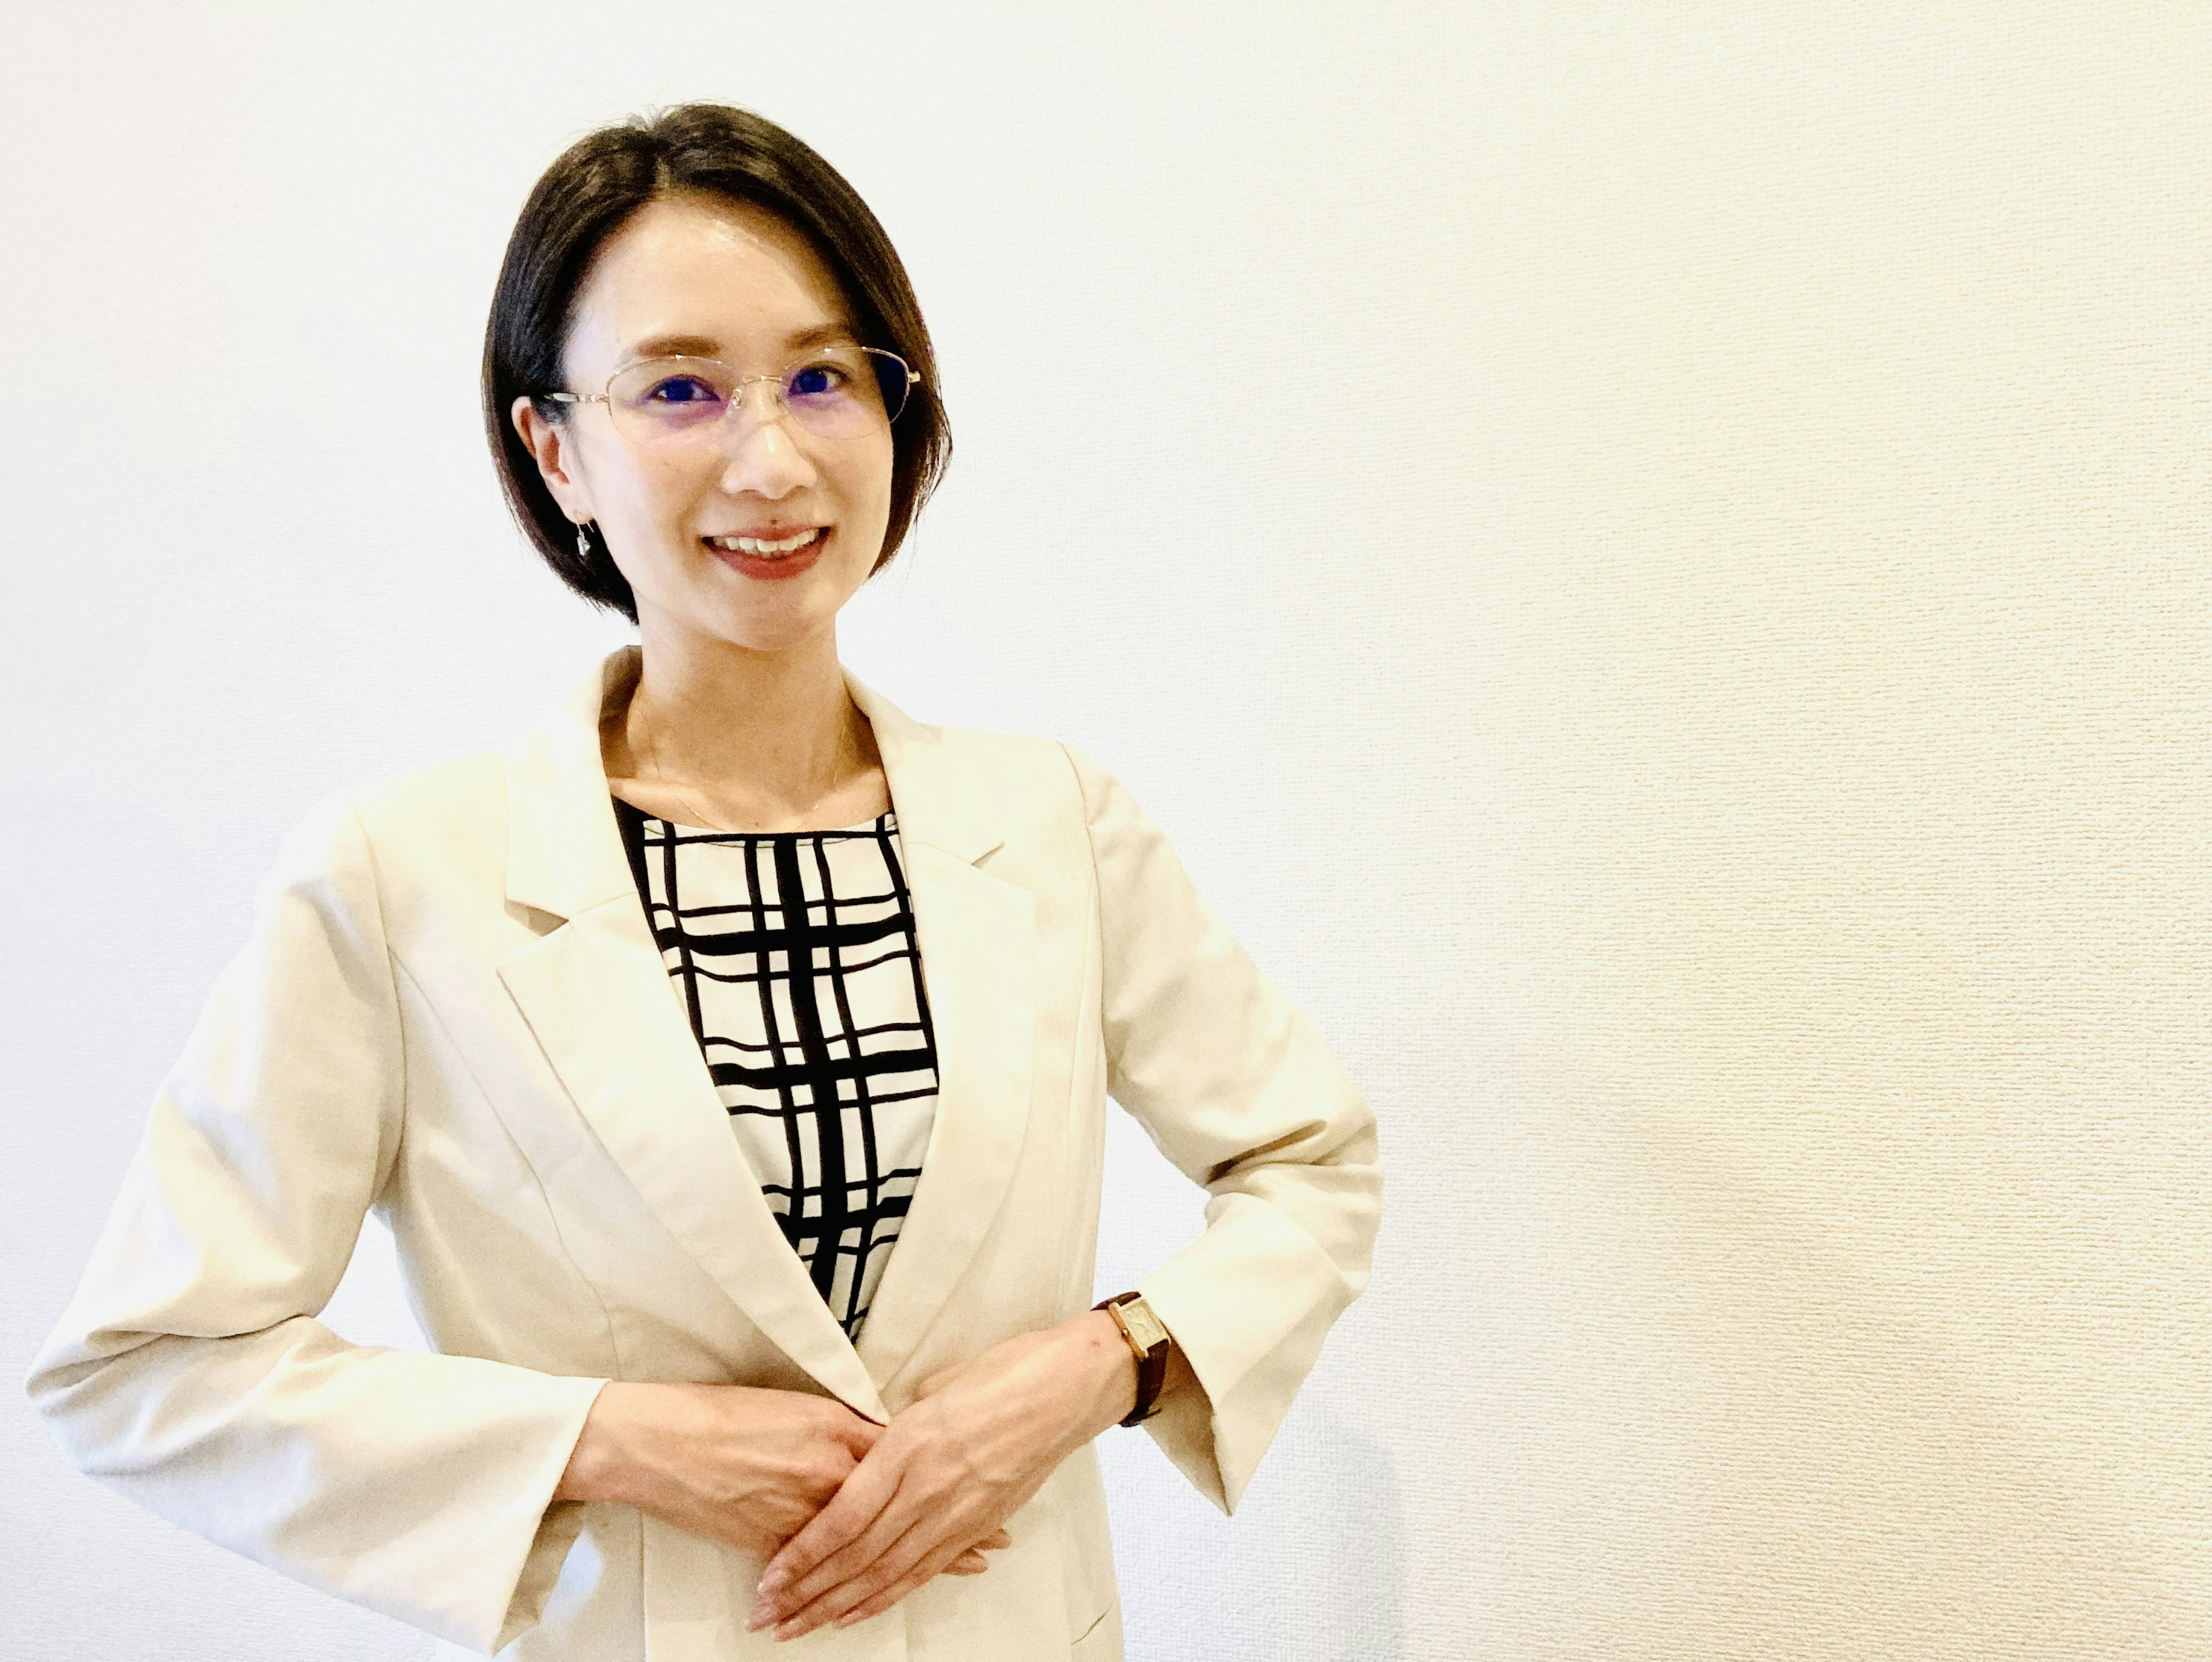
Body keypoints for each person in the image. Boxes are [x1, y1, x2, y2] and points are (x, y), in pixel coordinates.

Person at [26, 103, 1382, 1661]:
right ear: (559, 450)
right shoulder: (405, 876)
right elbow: (143, 1368)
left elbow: (1310, 1166)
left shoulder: (1054, 823)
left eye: (825, 376)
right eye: (681, 388)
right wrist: (605, 1439)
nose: (773, 455)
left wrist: (1099, 1366)